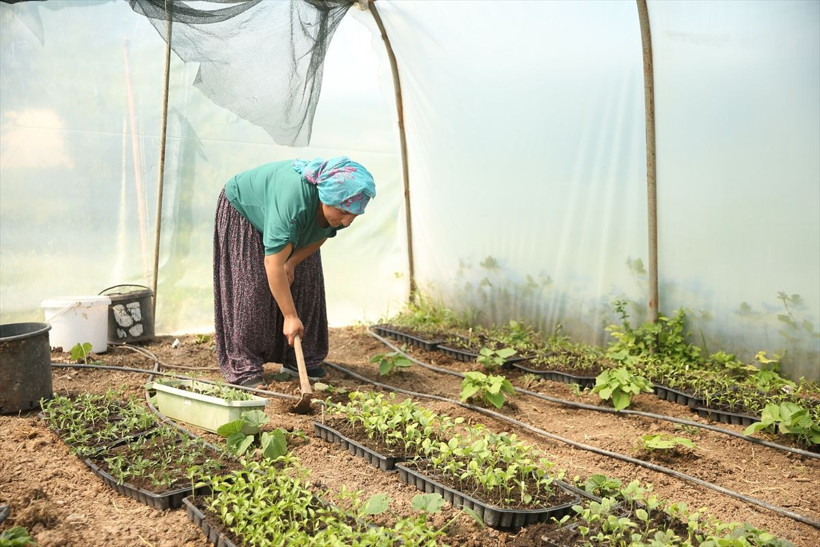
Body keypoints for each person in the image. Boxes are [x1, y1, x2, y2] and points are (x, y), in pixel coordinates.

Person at [213, 157, 376, 389]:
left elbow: (322, 233)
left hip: (290, 214)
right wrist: (290, 316)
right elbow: (273, 264)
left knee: (306, 281)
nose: (347, 221)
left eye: (354, 215)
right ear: (325, 197)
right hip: (245, 210)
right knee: (253, 287)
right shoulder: (294, 204)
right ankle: (245, 366)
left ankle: (299, 360)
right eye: (343, 212)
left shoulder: (335, 207)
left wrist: (293, 262)